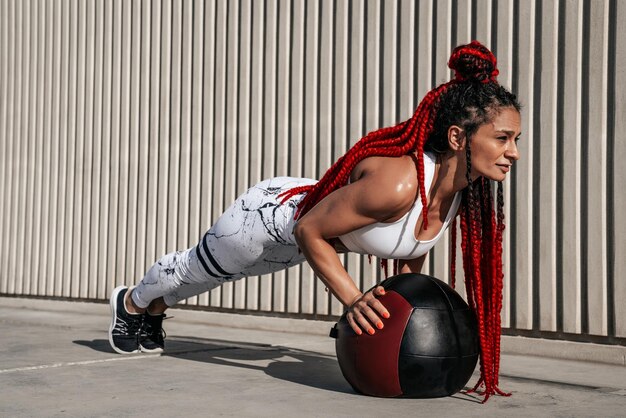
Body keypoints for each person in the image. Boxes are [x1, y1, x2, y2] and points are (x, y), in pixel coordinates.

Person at [108, 41, 521, 401]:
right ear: (457, 138)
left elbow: (407, 258)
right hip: (269, 218)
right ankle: (131, 302)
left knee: (216, 279)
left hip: (307, 243)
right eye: (502, 138)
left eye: (516, 139)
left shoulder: (456, 195)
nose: (513, 152)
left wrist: (399, 305)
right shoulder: (398, 185)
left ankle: (154, 308)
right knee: (200, 270)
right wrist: (354, 303)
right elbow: (308, 229)